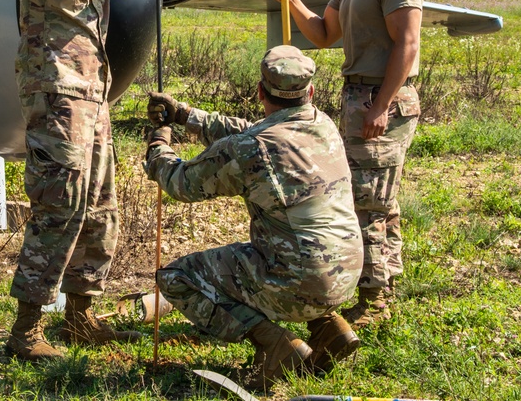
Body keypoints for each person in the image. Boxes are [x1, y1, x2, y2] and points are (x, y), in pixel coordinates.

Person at [9, 0, 188, 361]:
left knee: (100, 205)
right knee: (60, 202)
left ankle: (79, 313)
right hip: (56, 85)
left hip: (90, 88)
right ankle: (26, 330)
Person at [144, 45, 363, 391]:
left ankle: (277, 347)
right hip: (347, 276)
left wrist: (158, 145)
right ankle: (330, 329)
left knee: (176, 277)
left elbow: (182, 183)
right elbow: (253, 131)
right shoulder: (324, 125)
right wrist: (186, 115)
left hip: (300, 281)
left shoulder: (249, 149)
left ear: (260, 91)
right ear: (311, 92)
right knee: (296, 247)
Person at [271, 0, 422, 328]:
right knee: (378, 200)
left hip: (381, 98)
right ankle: (383, 284)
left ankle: (373, 301)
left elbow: (406, 44)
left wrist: (382, 105)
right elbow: (322, 34)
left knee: (366, 202)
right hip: (358, 96)